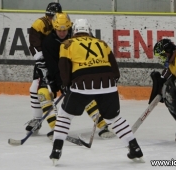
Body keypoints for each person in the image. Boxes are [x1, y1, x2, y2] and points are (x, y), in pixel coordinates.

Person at [49, 18, 144, 164]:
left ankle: (56, 151)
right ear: (89, 30)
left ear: (74, 31)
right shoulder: (102, 43)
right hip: (108, 83)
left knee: (65, 116)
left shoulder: (67, 44)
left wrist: (65, 85)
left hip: (82, 84)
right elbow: (114, 67)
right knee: (114, 119)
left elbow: (64, 66)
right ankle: (135, 148)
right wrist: (110, 83)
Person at [26, 3, 114, 139]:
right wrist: (61, 83)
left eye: (65, 30)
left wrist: (71, 81)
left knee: (84, 93)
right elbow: (53, 66)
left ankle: (102, 124)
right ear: (54, 27)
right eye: (59, 30)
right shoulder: (48, 41)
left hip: (72, 73)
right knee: (42, 93)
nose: (62, 33)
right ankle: (55, 128)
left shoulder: (74, 39)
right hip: (52, 72)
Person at [26, 2, 62, 136]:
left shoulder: (63, 24)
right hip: (44, 62)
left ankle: (62, 123)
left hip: (59, 62)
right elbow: (34, 43)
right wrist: (41, 59)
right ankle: (37, 119)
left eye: (52, 16)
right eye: (48, 15)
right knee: (35, 88)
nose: (49, 18)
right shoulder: (39, 24)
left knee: (56, 90)